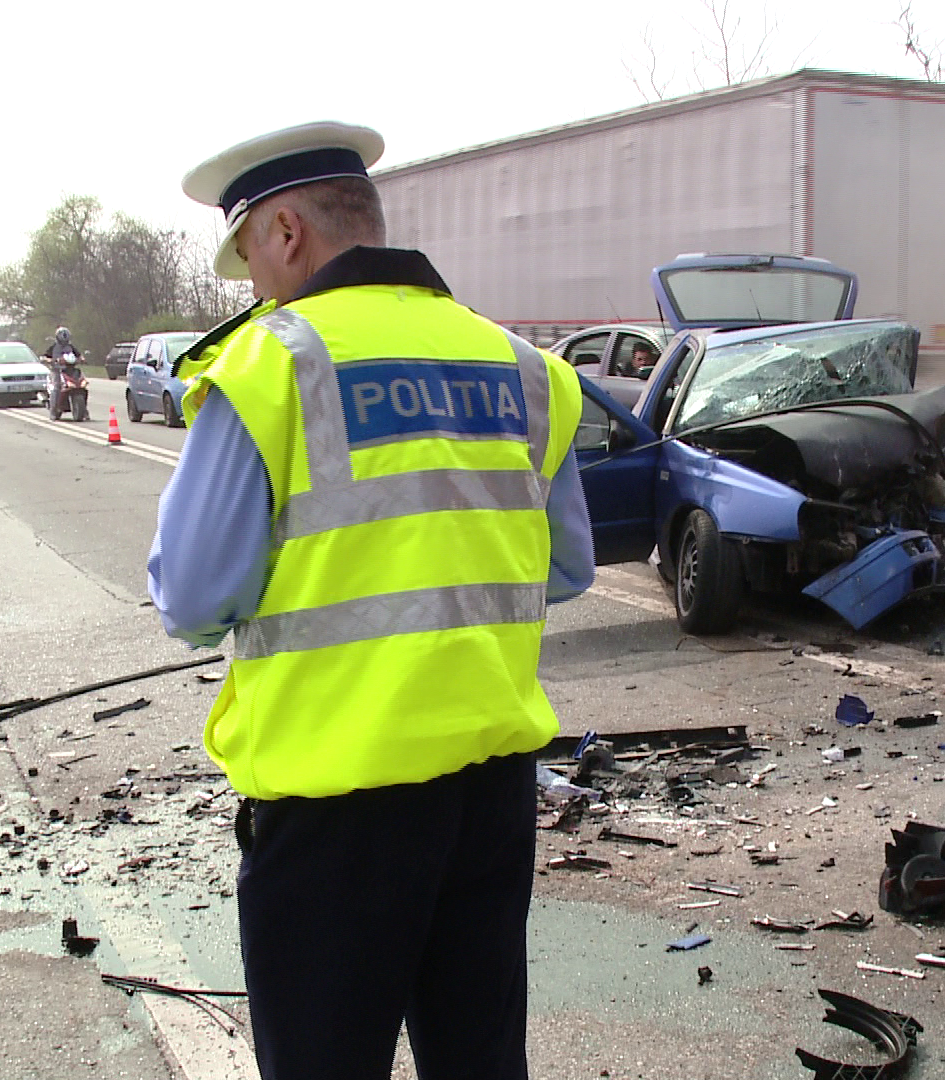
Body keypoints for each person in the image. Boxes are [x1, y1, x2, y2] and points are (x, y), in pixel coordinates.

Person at [149, 121, 594, 1080]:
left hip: (335, 805)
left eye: (251, 256)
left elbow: (191, 597)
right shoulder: (522, 368)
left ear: (288, 232)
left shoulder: (273, 366)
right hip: (488, 794)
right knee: (479, 1062)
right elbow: (564, 570)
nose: (256, 287)